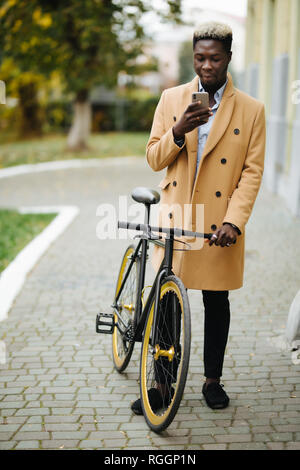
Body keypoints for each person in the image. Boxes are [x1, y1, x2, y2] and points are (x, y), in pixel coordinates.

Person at [131, 21, 266, 413]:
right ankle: (160, 384)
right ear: (193, 57)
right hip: (178, 214)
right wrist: (178, 129)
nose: (206, 66)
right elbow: (154, 156)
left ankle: (212, 380)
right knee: (167, 300)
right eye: (200, 58)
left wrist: (235, 221)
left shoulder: (252, 110)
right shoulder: (173, 98)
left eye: (215, 58)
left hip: (218, 220)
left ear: (228, 58)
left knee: (216, 301)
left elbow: (251, 172)